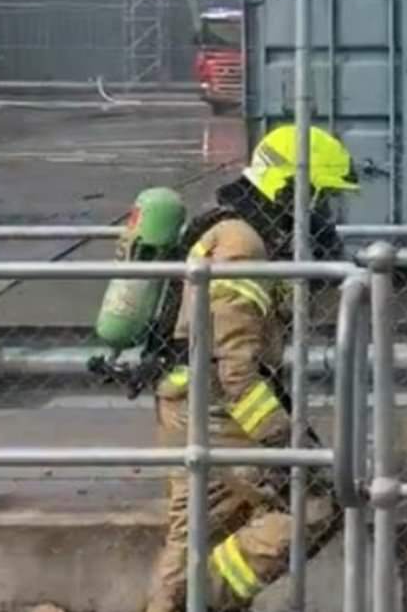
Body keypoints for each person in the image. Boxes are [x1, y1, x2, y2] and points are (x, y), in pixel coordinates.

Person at [145, 124, 359, 612]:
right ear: (290, 188)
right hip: (218, 410)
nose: (321, 214)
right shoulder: (244, 247)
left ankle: (176, 604)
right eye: (319, 198)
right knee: (313, 503)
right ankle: (197, 604)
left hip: (188, 404)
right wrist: (287, 442)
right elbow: (235, 368)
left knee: (194, 534)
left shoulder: (232, 227)